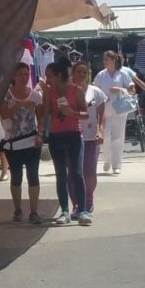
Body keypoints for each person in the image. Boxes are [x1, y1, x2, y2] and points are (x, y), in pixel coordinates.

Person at [43, 60, 90, 225]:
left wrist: (72, 113)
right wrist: (44, 97)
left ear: (59, 75)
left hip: (74, 135)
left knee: (77, 173)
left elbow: (86, 114)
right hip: (56, 136)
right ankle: (64, 211)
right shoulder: (49, 93)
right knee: (61, 175)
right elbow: (45, 114)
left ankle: (83, 210)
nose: (47, 79)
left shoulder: (76, 91)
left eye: (49, 76)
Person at [0, 62, 44, 223]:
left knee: (33, 176)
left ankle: (34, 212)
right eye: (21, 74)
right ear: (13, 76)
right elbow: (4, 114)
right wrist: (21, 104)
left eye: (27, 74)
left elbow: (41, 117)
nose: (24, 77)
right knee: (16, 177)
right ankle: (17, 209)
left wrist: (40, 134)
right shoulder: (6, 94)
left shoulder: (35, 95)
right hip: (13, 143)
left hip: (31, 142)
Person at [69, 60, 106, 219]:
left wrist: (101, 131)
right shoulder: (68, 91)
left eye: (85, 72)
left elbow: (102, 115)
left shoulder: (95, 91)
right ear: (73, 73)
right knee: (73, 172)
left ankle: (88, 199)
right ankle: (76, 204)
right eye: (79, 72)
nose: (82, 75)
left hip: (91, 137)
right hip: (72, 135)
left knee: (89, 171)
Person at [94, 50, 134, 175]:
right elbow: (94, 90)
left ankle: (117, 165)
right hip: (105, 109)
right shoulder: (101, 75)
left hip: (120, 108)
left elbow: (132, 90)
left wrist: (120, 89)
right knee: (105, 136)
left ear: (114, 60)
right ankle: (107, 160)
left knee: (118, 137)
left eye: (107, 59)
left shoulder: (122, 73)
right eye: (104, 59)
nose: (105, 62)